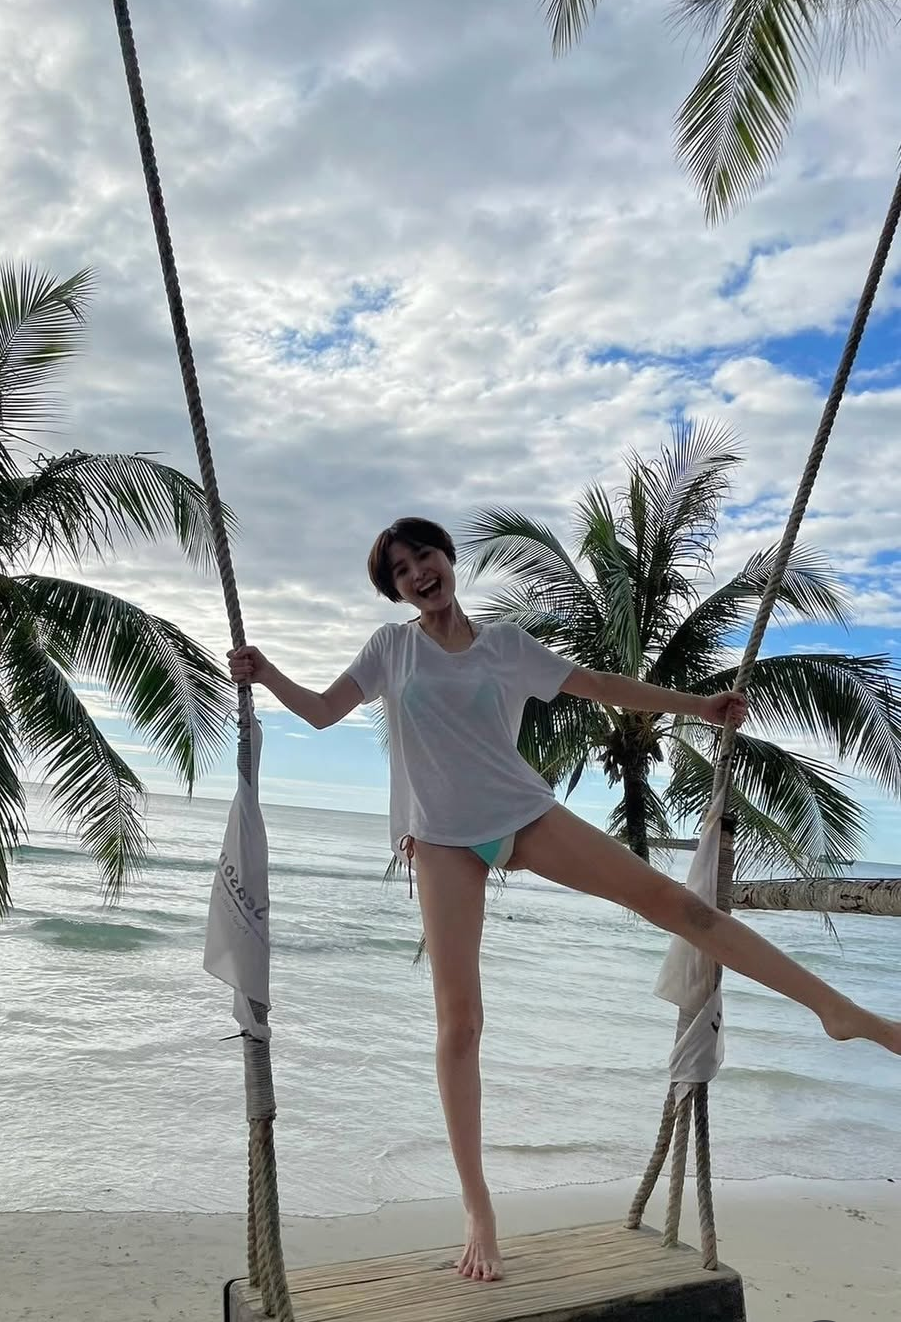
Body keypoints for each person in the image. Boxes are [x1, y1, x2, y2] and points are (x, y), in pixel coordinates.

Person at [228, 516, 901, 1285]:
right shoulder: (391, 649)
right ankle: (478, 1209)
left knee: (679, 906)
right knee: (460, 1025)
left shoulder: (506, 645)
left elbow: (602, 687)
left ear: (448, 558)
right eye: (400, 570)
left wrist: (700, 706)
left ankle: (838, 1011)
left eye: (425, 555)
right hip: (441, 842)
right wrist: (265, 672)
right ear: (395, 591)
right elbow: (321, 712)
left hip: (522, 814)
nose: (418, 573)